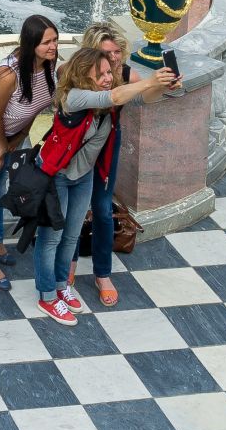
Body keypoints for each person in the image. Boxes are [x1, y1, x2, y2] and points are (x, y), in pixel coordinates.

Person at [31, 45, 171, 324]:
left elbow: (148, 99)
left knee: (71, 235)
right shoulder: (74, 97)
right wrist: (149, 79)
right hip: (56, 176)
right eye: (102, 74)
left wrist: (162, 84)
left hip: (83, 176)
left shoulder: (107, 99)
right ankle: (47, 297)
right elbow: (115, 95)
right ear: (85, 75)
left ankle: (62, 287)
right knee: (51, 238)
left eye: (110, 72)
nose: (109, 77)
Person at [0, 15, 60, 288]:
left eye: (55, 40)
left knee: (0, 191)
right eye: (47, 42)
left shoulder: (49, 65)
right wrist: (1, 146)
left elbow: (34, 109)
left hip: (12, 136)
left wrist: (16, 141)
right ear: (32, 43)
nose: (53, 46)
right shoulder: (8, 74)